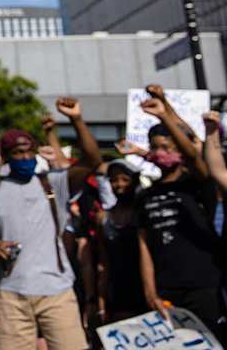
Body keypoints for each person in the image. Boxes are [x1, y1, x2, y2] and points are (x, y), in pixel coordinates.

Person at [0, 97, 102, 350]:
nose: (26, 157)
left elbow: (92, 160)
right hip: (12, 293)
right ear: (6, 157)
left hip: (56, 291)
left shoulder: (53, 183)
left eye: (30, 151)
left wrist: (76, 119)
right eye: (18, 153)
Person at [133, 88, 226, 342]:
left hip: (205, 283)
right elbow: (144, 247)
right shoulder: (144, 196)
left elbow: (194, 152)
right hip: (167, 286)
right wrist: (150, 291)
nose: (160, 152)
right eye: (154, 148)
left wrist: (165, 115)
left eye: (167, 147)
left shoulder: (196, 183)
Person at [94, 159, 146, 325]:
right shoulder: (103, 218)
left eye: (125, 179)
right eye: (114, 180)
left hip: (150, 290)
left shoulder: (146, 212)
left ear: (135, 180)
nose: (119, 184)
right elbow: (103, 263)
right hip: (120, 292)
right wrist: (101, 303)